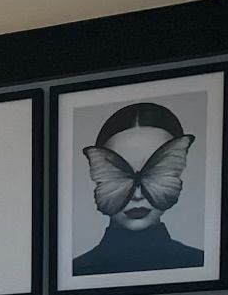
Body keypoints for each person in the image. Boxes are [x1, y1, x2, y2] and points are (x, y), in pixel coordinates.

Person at [73, 101, 205, 276]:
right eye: (119, 174)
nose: (137, 194)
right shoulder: (75, 271)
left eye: (155, 172)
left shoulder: (197, 263)